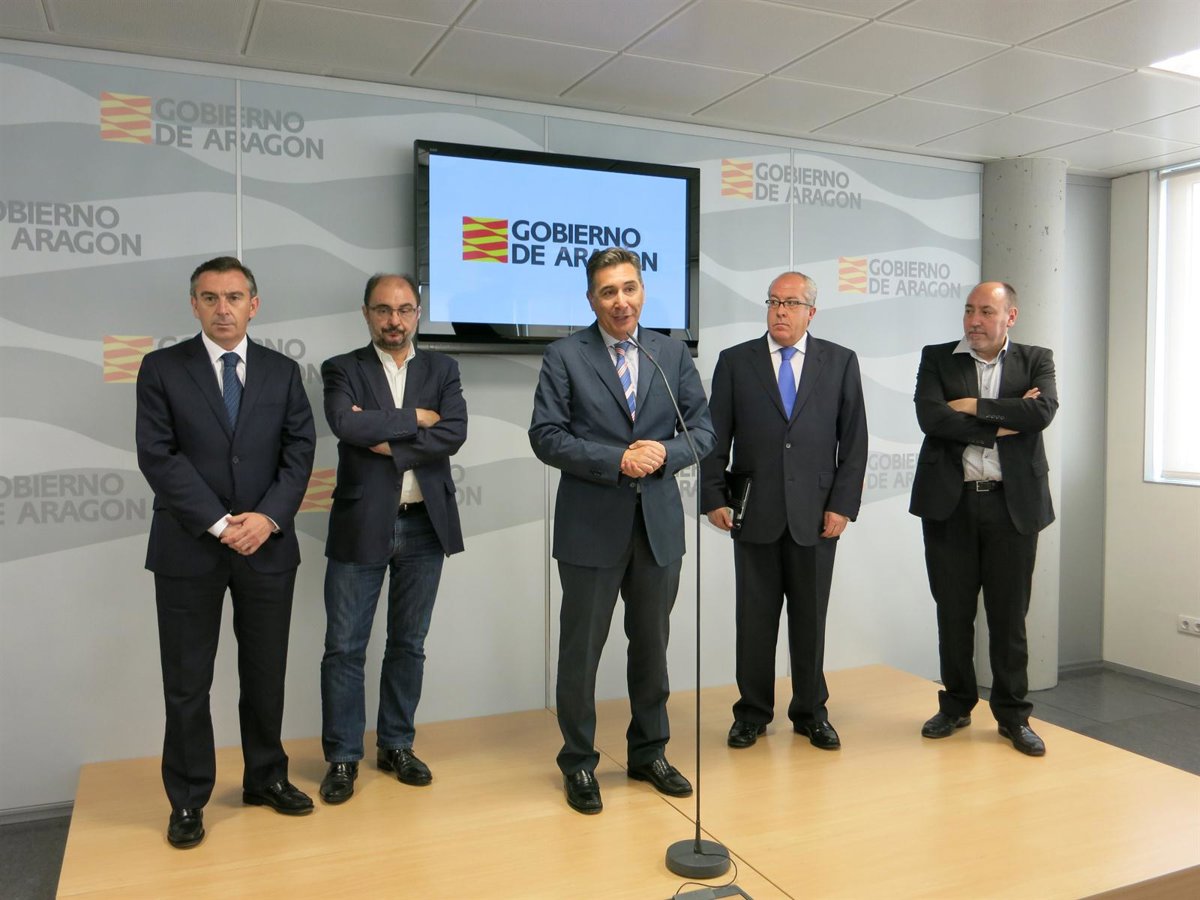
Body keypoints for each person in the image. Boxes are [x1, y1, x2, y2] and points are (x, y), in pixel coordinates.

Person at [135, 256, 316, 849]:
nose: (222, 309)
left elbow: (299, 452)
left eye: (234, 297)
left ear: (253, 305)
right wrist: (219, 524)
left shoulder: (283, 372)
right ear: (194, 305)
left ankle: (266, 778)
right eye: (209, 298)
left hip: (267, 546)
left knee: (265, 674)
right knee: (187, 682)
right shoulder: (162, 368)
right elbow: (158, 455)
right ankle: (188, 799)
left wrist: (266, 518)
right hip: (189, 548)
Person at [529, 247, 715, 814]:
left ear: (643, 292)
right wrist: (617, 460)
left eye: (629, 288)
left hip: (657, 529)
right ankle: (579, 763)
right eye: (608, 291)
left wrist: (664, 454)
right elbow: (546, 436)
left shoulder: (670, 352)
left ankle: (649, 753)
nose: (621, 301)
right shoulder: (565, 355)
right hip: (591, 528)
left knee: (652, 648)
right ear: (592, 299)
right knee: (581, 652)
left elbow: (703, 431)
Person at [700, 272, 867, 752]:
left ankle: (811, 712)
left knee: (810, 622)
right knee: (754, 622)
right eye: (774, 301)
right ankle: (752, 713)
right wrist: (714, 496)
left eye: (791, 303)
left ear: (811, 312)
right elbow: (715, 437)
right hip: (755, 512)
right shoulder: (736, 362)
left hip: (816, 516)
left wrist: (842, 505)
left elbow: (854, 440)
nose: (780, 311)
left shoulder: (840, 361)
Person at [317, 274, 467, 804]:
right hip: (361, 522)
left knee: (408, 644)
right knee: (344, 648)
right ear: (366, 314)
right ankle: (342, 756)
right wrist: (416, 420)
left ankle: (396, 745)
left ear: (418, 313)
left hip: (425, 524)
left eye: (404, 310)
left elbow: (453, 432)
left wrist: (385, 434)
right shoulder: (342, 368)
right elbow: (346, 425)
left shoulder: (443, 369)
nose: (394, 320)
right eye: (383, 310)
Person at [910, 281, 1058, 756]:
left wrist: (973, 407)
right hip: (950, 504)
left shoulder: (1036, 359)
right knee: (953, 613)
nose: (974, 320)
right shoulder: (938, 358)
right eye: (969, 310)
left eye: (986, 312)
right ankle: (956, 705)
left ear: (1010, 316)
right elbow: (933, 419)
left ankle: (1013, 716)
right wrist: (1005, 424)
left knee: (1009, 617)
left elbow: (1042, 412)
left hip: (1011, 506)